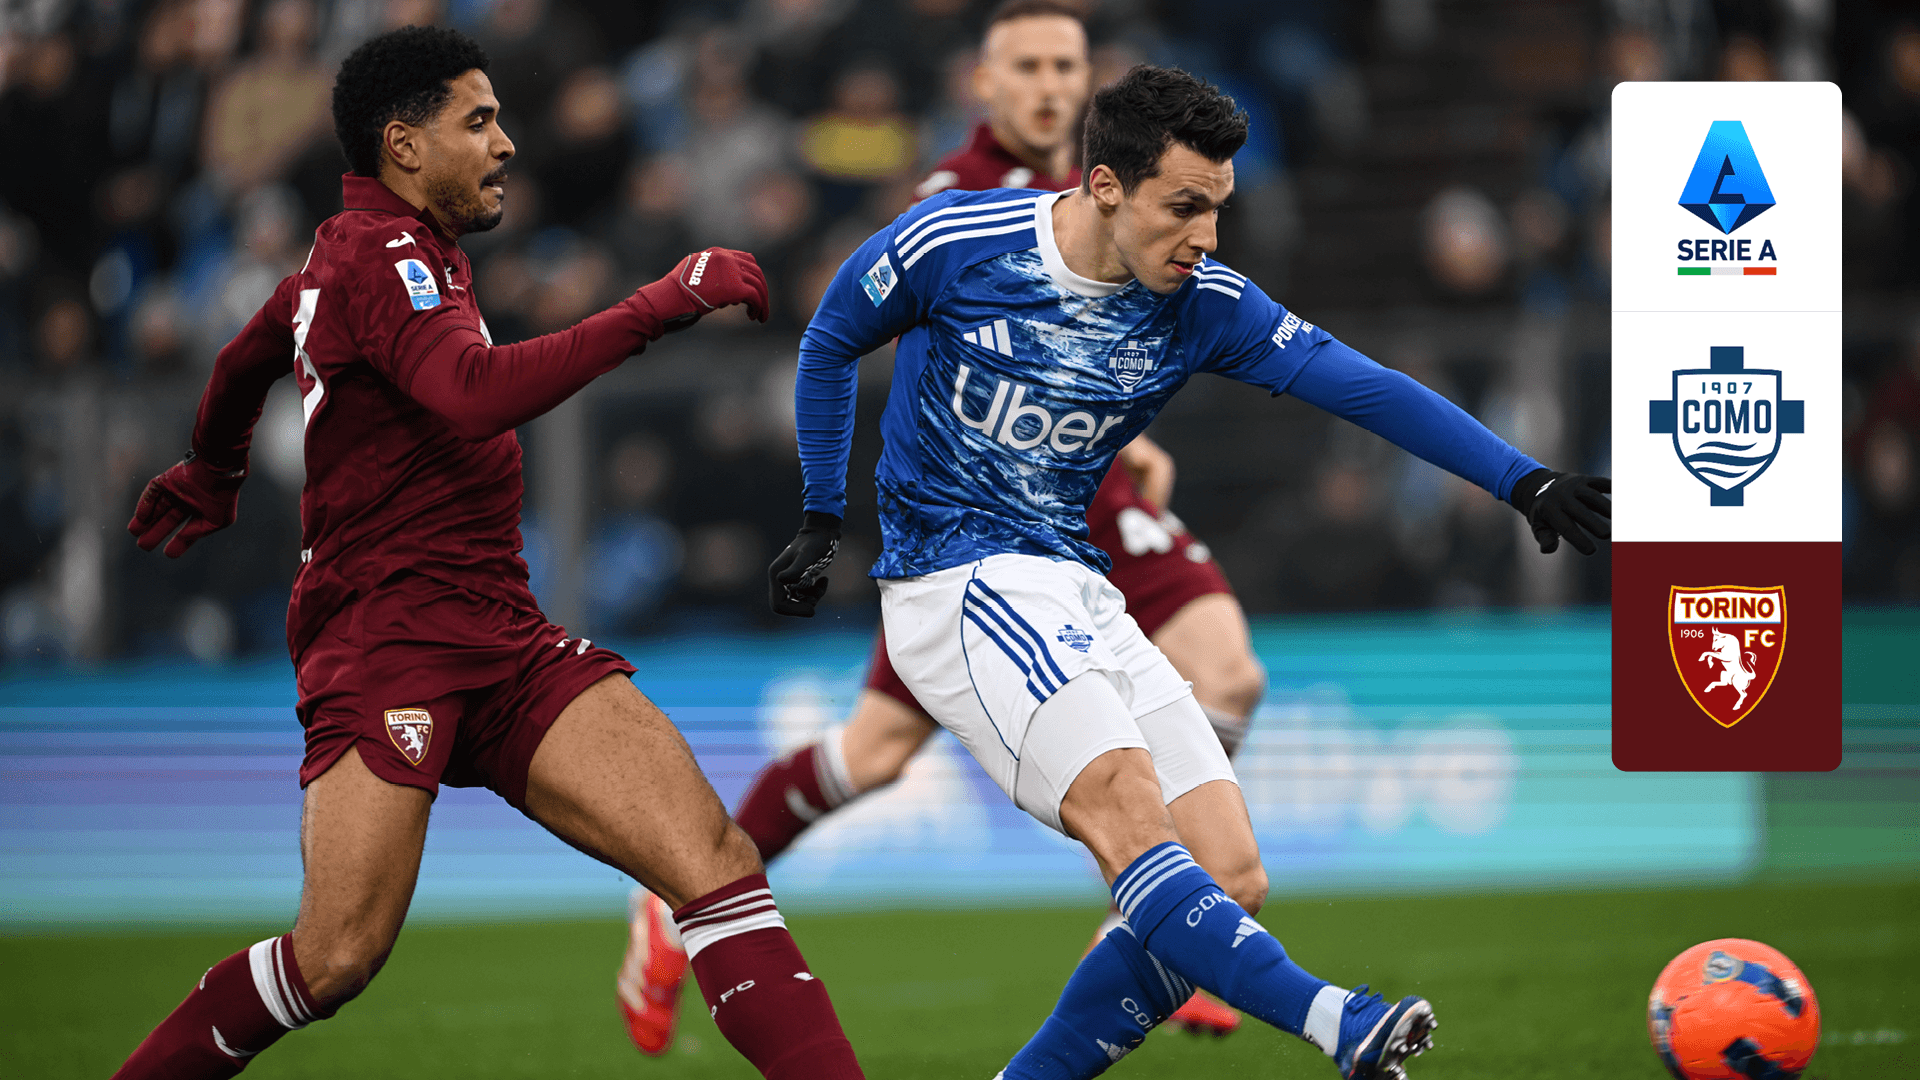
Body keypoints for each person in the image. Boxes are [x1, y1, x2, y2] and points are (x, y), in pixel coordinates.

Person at [767, 65, 1611, 1080]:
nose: (1205, 236)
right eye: (1183, 207)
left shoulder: (1205, 304)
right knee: (1124, 803)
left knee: (1231, 872)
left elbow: (1364, 386)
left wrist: (1522, 481)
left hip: (1077, 584)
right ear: (1106, 186)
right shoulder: (957, 243)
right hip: (958, 583)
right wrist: (821, 514)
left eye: (1217, 208)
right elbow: (830, 341)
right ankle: (1339, 1021)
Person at [112, 26, 864, 1080]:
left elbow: (250, 354)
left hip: (501, 633)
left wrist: (213, 464)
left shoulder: (367, 255)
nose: (506, 142)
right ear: (404, 145)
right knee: (335, 958)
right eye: (478, 120)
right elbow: (470, 395)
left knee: (714, 860)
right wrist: (659, 303)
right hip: (387, 640)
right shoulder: (384, 255)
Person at [616, 0, 1253, 1052]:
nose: (1049, 85)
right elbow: (916, 349)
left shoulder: (1124, 190)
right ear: (983, 86)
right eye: (1026, 67)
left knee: (1228, 671)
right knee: (873, 755)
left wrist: (1125, 439)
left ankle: (1169, 912)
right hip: (980, 529)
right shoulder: (960, 198)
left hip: (1084, 503)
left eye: (1066, 65)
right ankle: (684, 895)